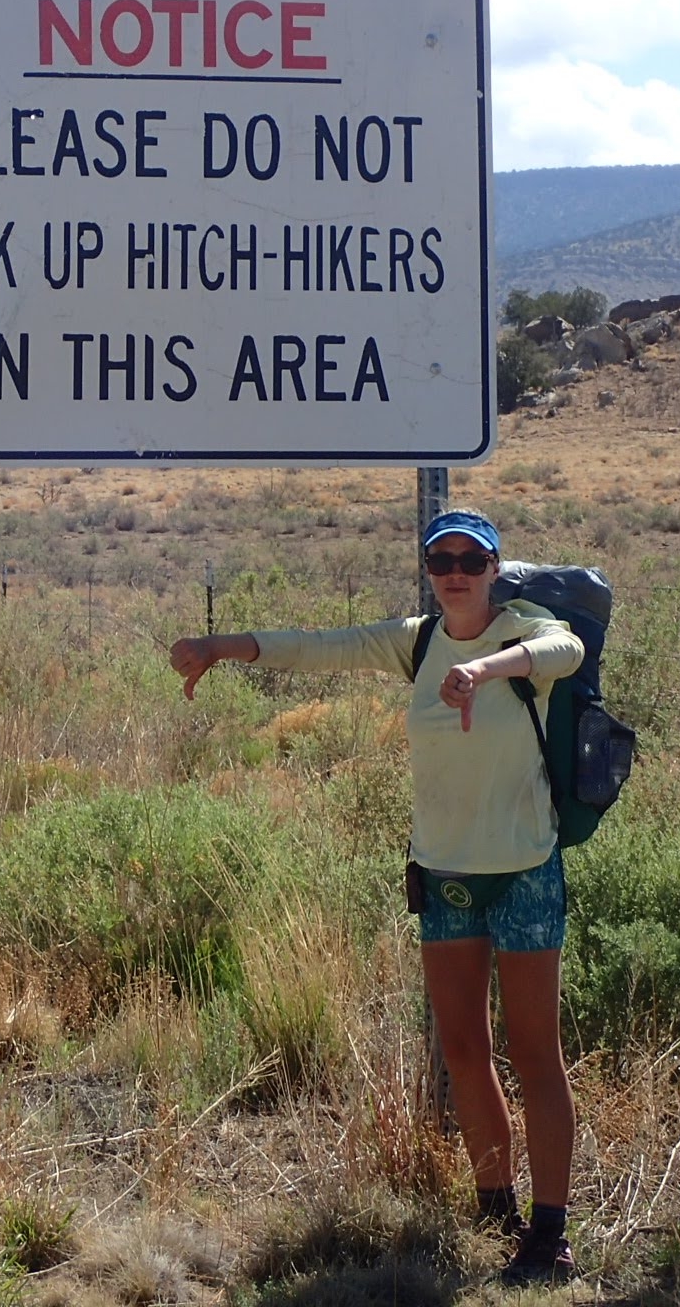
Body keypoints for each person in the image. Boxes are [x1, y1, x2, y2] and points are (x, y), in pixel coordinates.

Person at [168, 509, 585, 1285]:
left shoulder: (528, 625)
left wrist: (488, 669)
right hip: (446, 874)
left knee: (535, 1054)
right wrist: (221, 648)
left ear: (495, 566)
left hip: (525, 867)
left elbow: (566, 650)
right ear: (429, 569)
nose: (455, 571)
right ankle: (497, 1213)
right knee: (463, 1049)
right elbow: (320, 647)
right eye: (441, 559)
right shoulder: (417, 639)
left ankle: (550, 1233)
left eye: (471, 558)